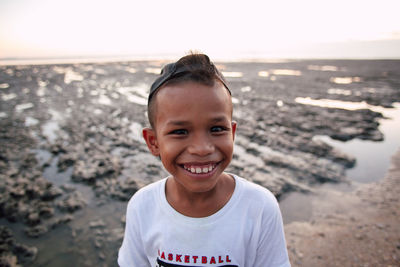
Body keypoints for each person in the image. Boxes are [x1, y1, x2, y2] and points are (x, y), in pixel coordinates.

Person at [118, 53, 291, 267]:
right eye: (180, 131)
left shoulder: (259, 207)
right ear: (153, 142)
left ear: (232, 133)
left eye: (217, 129)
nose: (202, 149)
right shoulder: (142, 206)